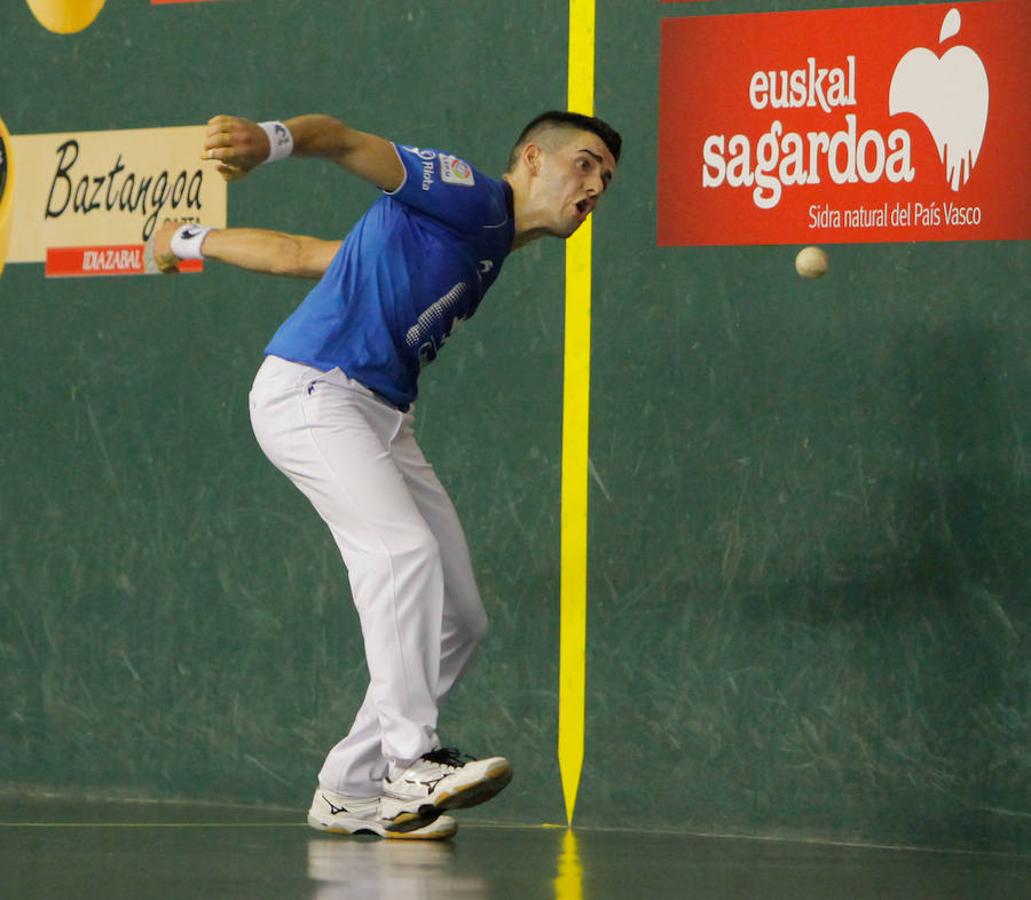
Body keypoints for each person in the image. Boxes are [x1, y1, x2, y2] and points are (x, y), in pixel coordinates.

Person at [153, 111, 621, 840]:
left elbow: (297, 254)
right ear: (532, 157)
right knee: (401, 554)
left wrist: (187, 240)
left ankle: (349, 789)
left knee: (459, 619)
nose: (594, 185)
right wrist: (267, 141)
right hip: (314, 390)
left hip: (379, 414)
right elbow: (337, 138)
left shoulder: (487, 243)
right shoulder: (465, 194)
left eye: (606, 179)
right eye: (584, 164)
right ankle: (413, 762)